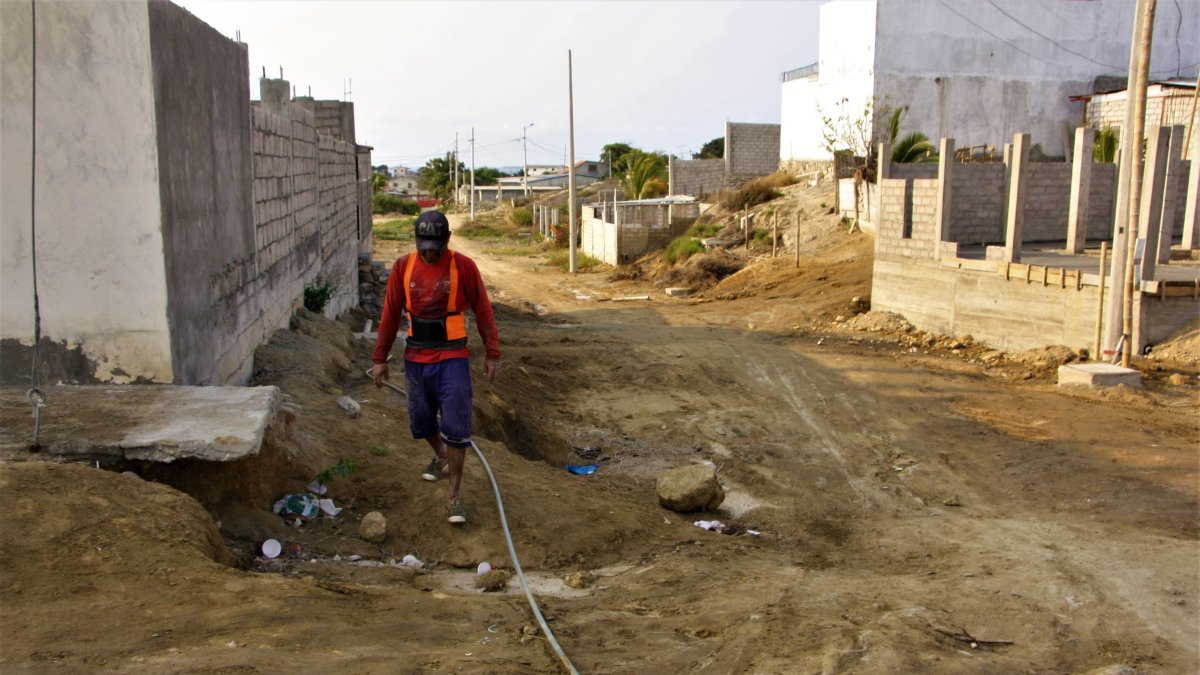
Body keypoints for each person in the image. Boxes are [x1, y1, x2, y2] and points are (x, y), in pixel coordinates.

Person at [372, 211, 501, 524]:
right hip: (416, 356)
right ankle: (441, 456)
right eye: (424, 244)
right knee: (421, 420)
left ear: (446, 240)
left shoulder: (464, 267)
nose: (429, 251)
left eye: (435, 245)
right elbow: (390, 314)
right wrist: (380, 358)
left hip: (452, 355)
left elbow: (483, 309)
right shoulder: (403, 267)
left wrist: (492, 352)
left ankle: (454, 495)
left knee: (456, 422)